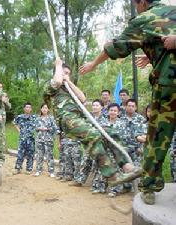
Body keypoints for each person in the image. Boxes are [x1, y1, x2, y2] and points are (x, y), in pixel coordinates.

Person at [79, 0, 176, 205]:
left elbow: (115, 46)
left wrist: (93, 63)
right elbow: (167, 41)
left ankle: (149, 186)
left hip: (169, 87)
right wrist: (155, 54)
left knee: (158, 135)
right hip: (168, 80)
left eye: (135, 4)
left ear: (142, 3)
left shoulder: (143, 19)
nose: (136, 8)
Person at [45, 58, 142, 187]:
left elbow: (83, 98)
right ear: (57, 72)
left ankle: (126, 166)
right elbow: (57, 80)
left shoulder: (69, 88)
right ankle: (112, 175)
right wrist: (58, 65)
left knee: (109, 132)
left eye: (68, 73)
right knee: (94, 136)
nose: (66, 75)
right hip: (67, 120)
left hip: (81, 120)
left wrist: (68, 81)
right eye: (64, 72)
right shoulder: (51, 87)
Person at [34, 104, 58, 177]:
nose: (44, 109)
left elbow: (55, 128)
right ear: (41, 109)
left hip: (48, 139)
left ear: (48, 110)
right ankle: (38, 170)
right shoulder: (38, 118)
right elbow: (34, 127)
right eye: (43, 108)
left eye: (46, 108)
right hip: (39, 139)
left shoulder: (51, 118)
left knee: (49, 156)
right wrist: (39, 128)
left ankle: (51, 171)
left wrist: (47, 129)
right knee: (39, 155)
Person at [13, 102, 37, 175]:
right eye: (26, 107)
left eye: (29, 107)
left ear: (31, 109)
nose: (28, 109)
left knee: (30, 154)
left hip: (31, 139)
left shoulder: (34, 117)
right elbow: (14, 123)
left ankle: (29, 169)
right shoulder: (20, 117)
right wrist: (19, 130)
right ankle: (18, 168)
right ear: (24, 108)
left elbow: (38, 125)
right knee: (20, 154)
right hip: (22, 139)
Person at [0, 80, 11, 164]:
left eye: (1, 87)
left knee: (2, 138)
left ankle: (1, 156)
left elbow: (9, 107)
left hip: (2, 121)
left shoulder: (4, 95)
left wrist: (5, 102)